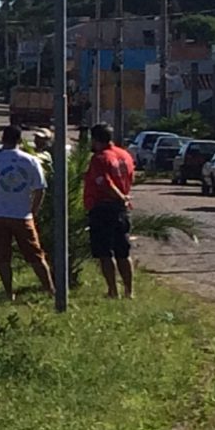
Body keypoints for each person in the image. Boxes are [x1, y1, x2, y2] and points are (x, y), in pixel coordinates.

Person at [0, 124, 54, 298]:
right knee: (35, 255)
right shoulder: (30, 160)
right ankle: (50, 289)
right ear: (20, 140)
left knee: (2, 258)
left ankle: (8, 292)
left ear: (3, 139)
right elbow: (40, 189)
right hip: (22, 215)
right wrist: (33, 210)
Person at [84, 122, 136, 299]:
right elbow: (131, 177)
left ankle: (113, 291)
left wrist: (120, 197)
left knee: (105, 252)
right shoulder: (124, 155)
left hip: (104, 208)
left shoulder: (100, 158)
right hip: (121, 210)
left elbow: (105, 183)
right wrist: (124, 197)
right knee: (123, 251)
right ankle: (129, 291)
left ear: (95, 139)